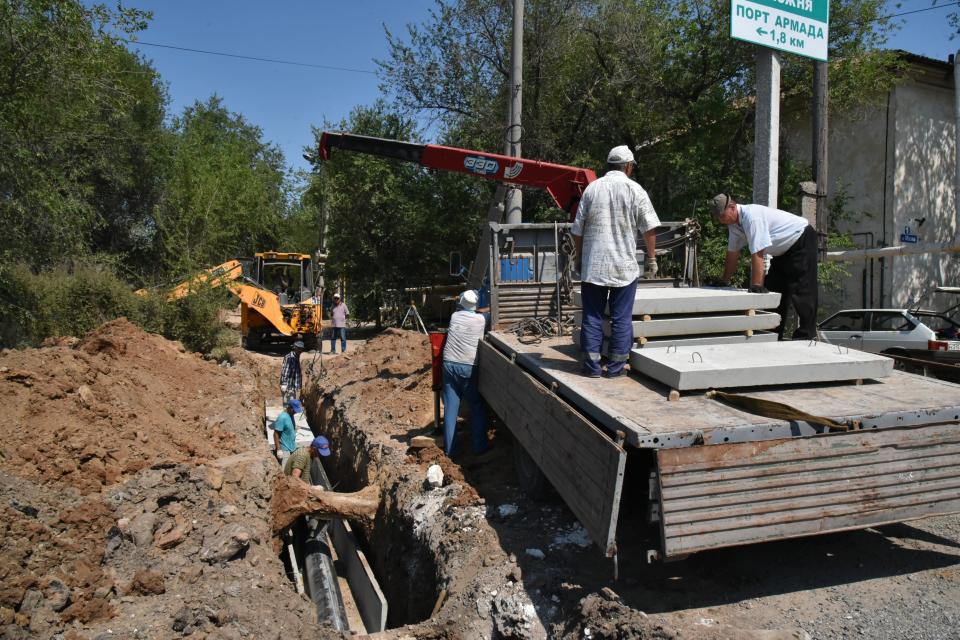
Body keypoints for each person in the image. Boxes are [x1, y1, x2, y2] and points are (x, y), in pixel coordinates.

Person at [571, 145, 661, 378]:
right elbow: (649, 228)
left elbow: (578, 230)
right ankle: (616, 369)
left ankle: (591, 368)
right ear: (628, 166)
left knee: (593, 316)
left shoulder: (592, 189)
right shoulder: (635, 190)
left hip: (595, 266)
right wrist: (651, 258)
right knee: (621, 319)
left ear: (609, 165)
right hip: (624, 267)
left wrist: (580, 258)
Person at [709, 194, 818, 340]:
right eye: (718, 217)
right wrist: (724, 281)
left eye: (722, 216)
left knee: (802, 289)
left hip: (801, 241)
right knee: (774, 289)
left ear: (732, 207)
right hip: (782, 253)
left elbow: (757, 252)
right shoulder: (734, 225)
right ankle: (771, 334)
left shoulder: (752, 217)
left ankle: (806, 336)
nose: (720, 220)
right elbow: (732, 254)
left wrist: (756, 285)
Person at [441, 290, 489, 457]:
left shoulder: (455, 316)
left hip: (448, 365)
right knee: (476, 406)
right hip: (468, 367)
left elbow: (469, 311)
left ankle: (450, 450)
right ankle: (479, 447)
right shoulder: (481, 320)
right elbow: (488, 313)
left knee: (450, 409)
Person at [270, 398, 302, 467]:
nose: (296, 412)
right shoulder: (282, 417)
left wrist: (293, 429)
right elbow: (276, 434)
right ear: (290, 408)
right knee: (285, 471)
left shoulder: (291, 415)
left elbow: (287, 427)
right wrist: (278, 449)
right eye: (295, 410)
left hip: (292, 447)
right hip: (285, 450)